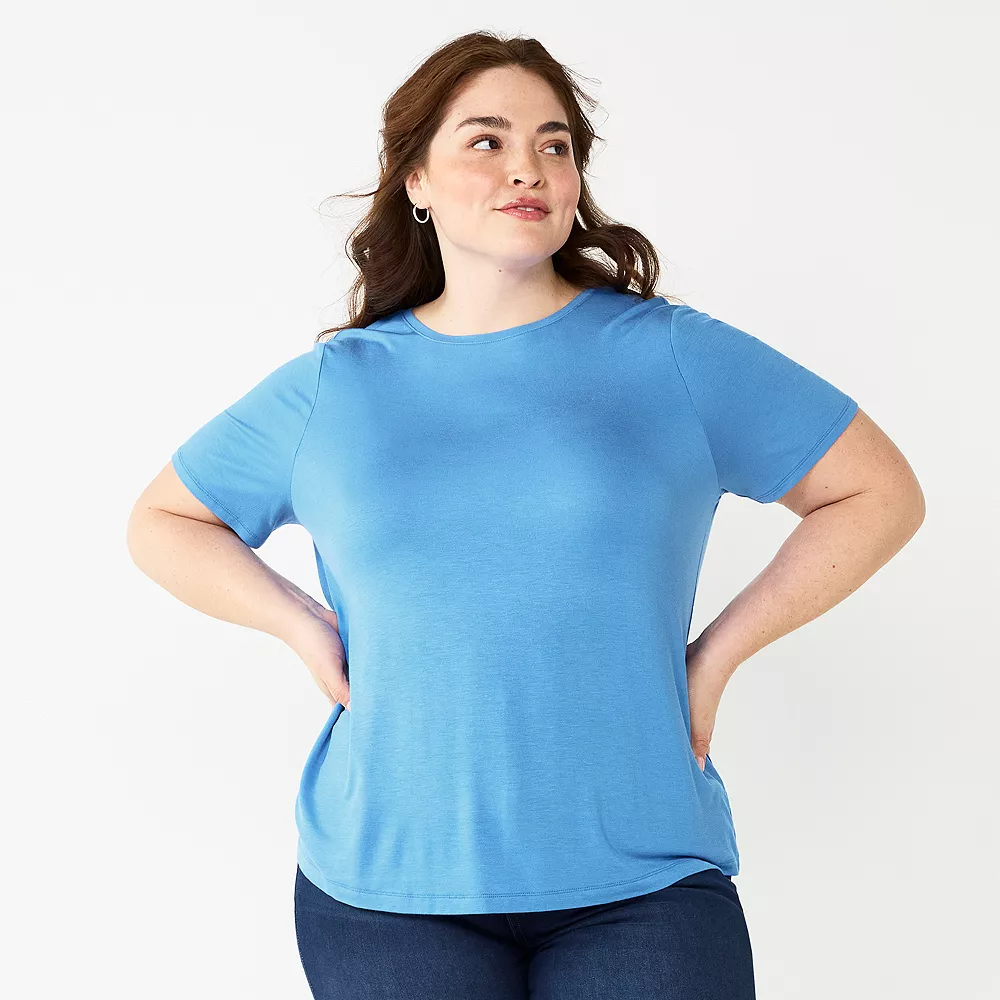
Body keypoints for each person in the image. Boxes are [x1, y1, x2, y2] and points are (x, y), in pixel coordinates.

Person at [127, 30, 925, 1000]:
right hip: (386, 884)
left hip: (642, 875)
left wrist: (713, 657)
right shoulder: (335, 387)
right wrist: (301, 624)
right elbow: (165, 520)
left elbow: (876, 492)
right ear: (415, 179)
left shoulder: (672, 355)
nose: (528, 168)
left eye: (555, 144)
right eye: (487, 141)